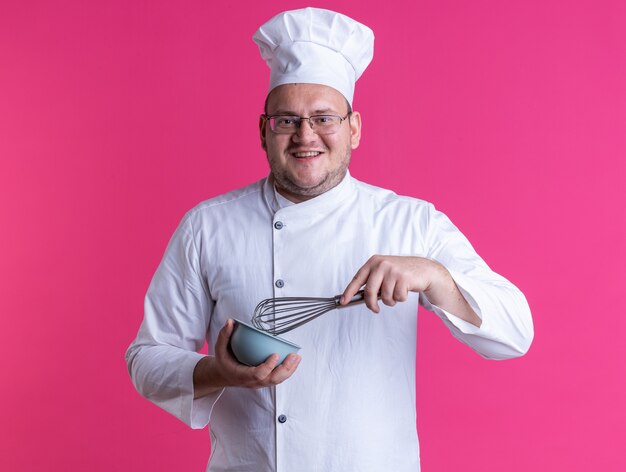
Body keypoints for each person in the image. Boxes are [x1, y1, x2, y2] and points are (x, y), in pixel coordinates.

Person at [126, 7, 533, 472]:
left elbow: (516, 332)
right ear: (264, 130)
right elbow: (147, 357)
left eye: (324, 118)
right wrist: (217, 372)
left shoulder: (410, 223)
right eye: (287, 120)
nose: (305, 135)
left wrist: (435, 277)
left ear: (354, 128)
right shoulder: (208, 226)